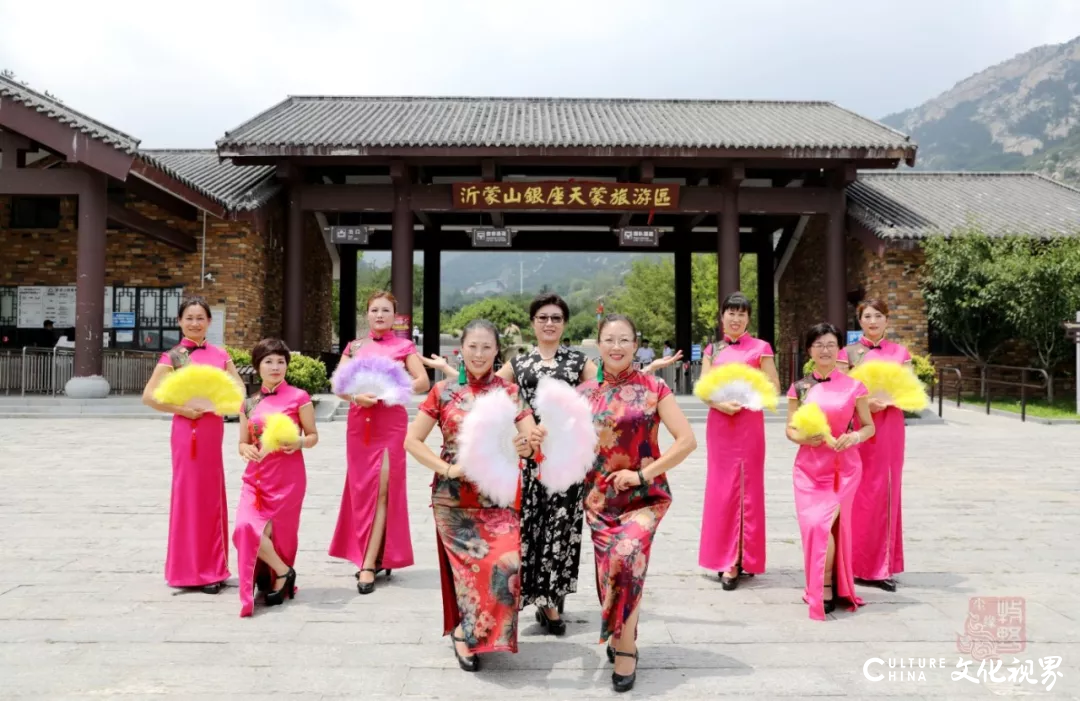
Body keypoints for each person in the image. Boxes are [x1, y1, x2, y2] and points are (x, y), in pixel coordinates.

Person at [422, 295, 681, 635]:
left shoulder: (577, 362)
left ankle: (552, 603)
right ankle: (523, 597)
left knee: (562, 532)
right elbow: (488, 390)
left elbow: (607, 382)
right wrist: (449, 375)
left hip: (567, 463)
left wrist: (645, 374)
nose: (549, 323)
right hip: (527, 459)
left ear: (564, 324)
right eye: (542, 317)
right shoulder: (521, 363)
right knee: (528, 531)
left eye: (556, 318)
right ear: (533, 323)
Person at [557, 314, 696, 692]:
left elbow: (686, 441)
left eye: (624, 340)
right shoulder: (583, 393)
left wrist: (642, 475)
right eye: (609, 340)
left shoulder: (654, 388)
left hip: (643, 497)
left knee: (627, 558)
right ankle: (620, 631)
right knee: (610, 573)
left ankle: (627, 648)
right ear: (598, 345)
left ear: (636, 345)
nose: (616, 347)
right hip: (600, 499)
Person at [405, 319, 537, 672]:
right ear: (460, 350)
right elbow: (412, 441)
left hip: (497, 497)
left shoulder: (509, 393)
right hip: (453, 499)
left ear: (497, 351)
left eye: (486, 347)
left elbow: (530, 443)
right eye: (472, 347)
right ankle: (465, 632)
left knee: (506, 561)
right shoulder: (443, 392)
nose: (479, 354)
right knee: (465, 572)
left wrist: (526, 447)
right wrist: (446, 469)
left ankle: (488, 632)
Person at [329, 291, 429, 594]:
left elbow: (422, 381)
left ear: (395, 316)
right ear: (367, 314)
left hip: (391, 424)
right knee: (362, 490)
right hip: (360, 425)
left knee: (384, 489)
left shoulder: (404, 346)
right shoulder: (355, 346)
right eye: (375, 310)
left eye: (386, 310)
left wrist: (394, 390)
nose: (380, 315)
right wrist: (355, 396)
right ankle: (374, 552)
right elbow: (338, 384)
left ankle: (369, 563)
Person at [142, 297, 242, 594]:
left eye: (200, 318)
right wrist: (183, 410)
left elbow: (237, 392)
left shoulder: (221, 355)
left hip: (212, 429)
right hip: (187, 430)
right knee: (189, 496)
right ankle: (191, 571)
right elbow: (150, 397)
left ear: (209, 322)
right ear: (180, 321)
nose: (195, 323)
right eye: (189, 318)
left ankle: (215, 567)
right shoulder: (173, 356)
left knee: (212, 495)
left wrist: (225, 404)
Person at [785, 322, 875, 621]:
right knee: (813, 526)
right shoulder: (800, 387)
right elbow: (790, 428)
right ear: (810, 350)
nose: (825, 350)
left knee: (824, 525)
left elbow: (868, 426)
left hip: (843, 469)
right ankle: (823, 580)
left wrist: (855, 437)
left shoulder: (854, 386)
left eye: (830, 344)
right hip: (808, 470)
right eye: (819, 345)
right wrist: (802, 438)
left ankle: (824, 584)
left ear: (839, 349)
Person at [697, 292, 780, 589]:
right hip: (720, 423)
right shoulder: (713, 349)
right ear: (722, 317)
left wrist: (749, 397)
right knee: (722, 489)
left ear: (748, 318)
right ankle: (726, 558)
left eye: (741, 313)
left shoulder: (761, 347)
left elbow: (773, 386)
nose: (735, 318)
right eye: (730, 312)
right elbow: (704, 388)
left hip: (748, 423)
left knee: (748, 488)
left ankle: (745, 557)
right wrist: (719, 404)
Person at [233, 338, 318, 616]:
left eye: (280, 361)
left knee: (281, 536)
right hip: (255, 478)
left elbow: (313, 436)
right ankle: (283, 571)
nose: (275, 367)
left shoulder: (299, 397)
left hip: (288, 477)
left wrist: (300, 443)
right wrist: (245, 448)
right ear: (258, 366)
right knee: (245, 528)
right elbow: (242, 442)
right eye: (269, 361)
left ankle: (275, 578)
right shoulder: (248, 403)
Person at [838, 299, 912, 592]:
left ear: (887, 319)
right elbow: (841, 391)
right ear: (859, 321)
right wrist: (866, 403)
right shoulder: (848, 353)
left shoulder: (900, 353)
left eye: (878, 315)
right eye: (867, 316)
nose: (872, 321)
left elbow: (910, 392)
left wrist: (894, 400)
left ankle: (880, 566)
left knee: (886, 491)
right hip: (860, 426)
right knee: (858, 492)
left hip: (890, 428)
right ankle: (852, 562)